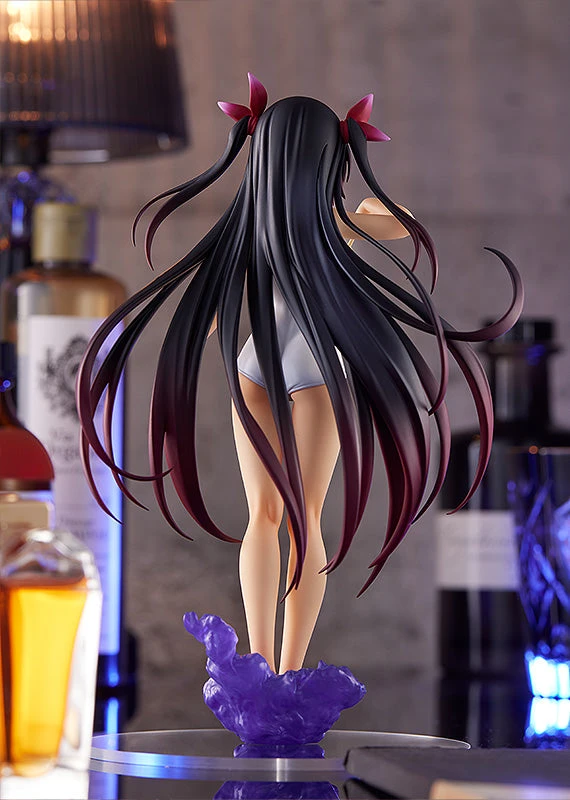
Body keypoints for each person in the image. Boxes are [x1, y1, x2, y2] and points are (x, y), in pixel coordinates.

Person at [77, 75, 523, 674]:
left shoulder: (251, 230)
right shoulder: (340, 226)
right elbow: (401, 221)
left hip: (256, 363)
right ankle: (284, 669)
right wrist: (356, 183)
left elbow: (212, 319)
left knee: (264, 518)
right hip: (314, 365)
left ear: (258, 156)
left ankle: (264, 664)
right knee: (303, 519)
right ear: (332, 156)